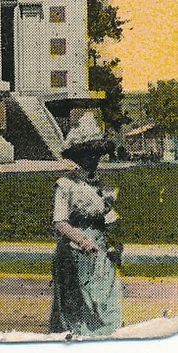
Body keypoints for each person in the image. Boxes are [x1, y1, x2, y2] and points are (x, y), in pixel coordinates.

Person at [49, 113, 124, 337]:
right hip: (76, 249)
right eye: (87, 154)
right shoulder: (67, 185)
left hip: (100, 249)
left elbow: (110, 222)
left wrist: (114, 240)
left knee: (106, 298)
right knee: (79, 302)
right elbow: (59, 222)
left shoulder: (103, 186)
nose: (93, 159)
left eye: (96, 154)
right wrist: (82, 240)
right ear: (78, 156)